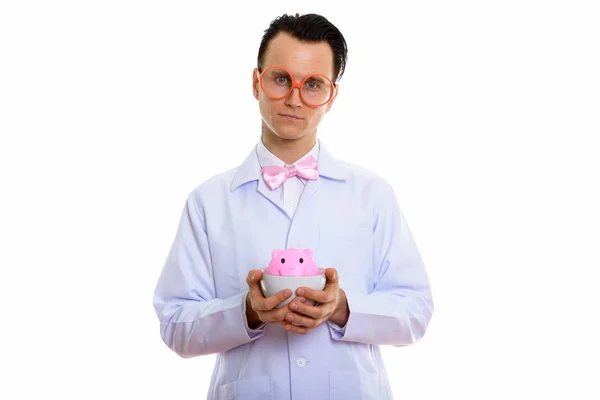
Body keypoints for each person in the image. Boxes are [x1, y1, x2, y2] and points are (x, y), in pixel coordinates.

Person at [153, 12, 434, 400]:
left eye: (313, 84)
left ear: (331, 96)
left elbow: (416, 312)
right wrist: (248, 311)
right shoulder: (209, 201)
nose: (294, 98)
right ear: (257, 82)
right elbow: (174, 324)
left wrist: (343, 308)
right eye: (281, 78)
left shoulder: (372, 194)